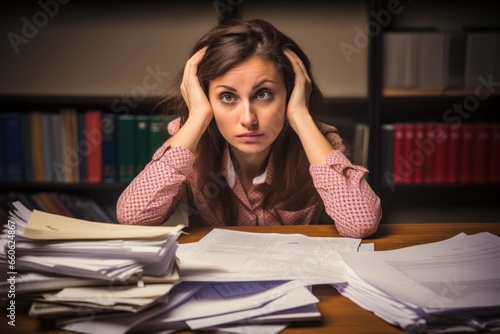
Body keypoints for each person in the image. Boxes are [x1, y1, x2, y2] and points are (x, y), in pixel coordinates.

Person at [116, 17, 381, 238]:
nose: (248, 119)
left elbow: (361, 223)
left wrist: (300, 114)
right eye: (228, 97)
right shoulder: (191, 143)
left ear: (290, 94)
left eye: (263, 94)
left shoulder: (317, 144)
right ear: (204, 97)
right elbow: (134, 219)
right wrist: (198, 115)